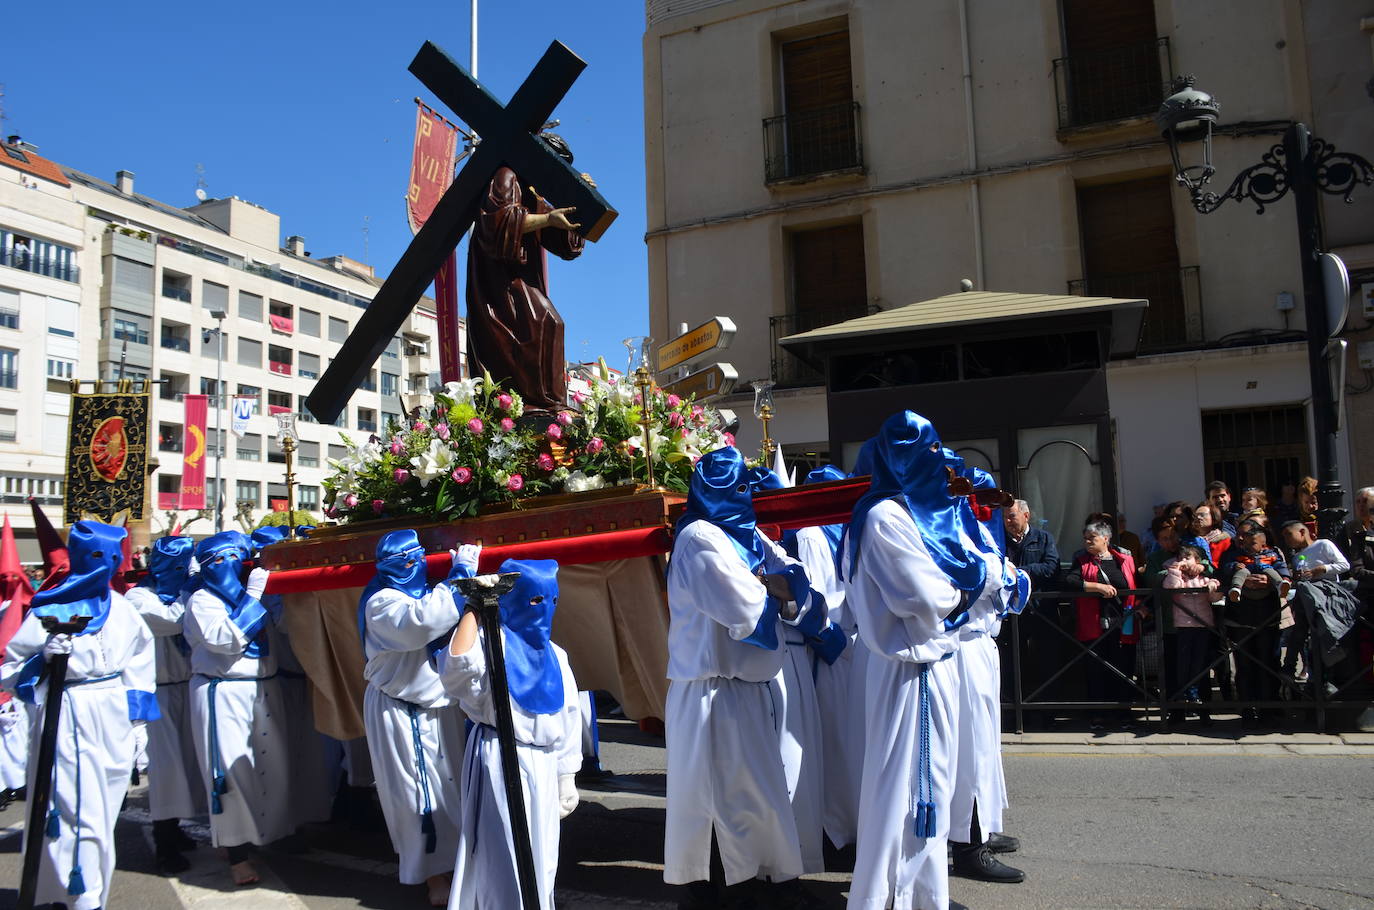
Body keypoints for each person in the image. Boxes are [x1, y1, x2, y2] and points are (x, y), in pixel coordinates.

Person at [662, 446, 820, 909]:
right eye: (733, 487)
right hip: (712, 691)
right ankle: (718, 894)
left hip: (750, 690)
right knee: (718, 802)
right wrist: (772, 584)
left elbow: (797, 583)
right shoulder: (697, 538)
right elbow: (745, 608)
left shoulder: (748, 535)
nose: (743, 494)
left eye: (746, 485)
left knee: (759, 800)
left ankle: (764, 884)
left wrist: (770, 582)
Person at [844, 411, 977, 910]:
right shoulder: (884, 517)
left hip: (923, 666)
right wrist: (965, 590)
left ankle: (924, 895)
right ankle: (888, 899)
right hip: (908, 671)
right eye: (928, 454)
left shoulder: (907, 513)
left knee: (929, 786)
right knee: (905, 790)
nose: (938, 464)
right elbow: (922, 598)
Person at [0, 521, 158, 910]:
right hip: (67, 712)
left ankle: (90, 891)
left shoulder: (122, 609)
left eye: (111, 558)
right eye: (96, 556)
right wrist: (44, 660)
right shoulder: (49, 609)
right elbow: (10, 667)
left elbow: (140, 664)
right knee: (70, 806)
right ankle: (78, 895)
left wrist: (138, 722)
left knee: (103, 810)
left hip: (111, 713)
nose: (103, 565)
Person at [439, 556, 582, 910]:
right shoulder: (492, 641)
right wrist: (475, 605)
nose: (545, 609)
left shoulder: (556, 654)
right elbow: (456, 669)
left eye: (552, 600)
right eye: (534, 600)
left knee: (542, 861)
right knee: (502, 861)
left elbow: (570, 716)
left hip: (545, 764)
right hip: (500, 759)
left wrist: (567, 774)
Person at [360, 531, 468, 906]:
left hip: (440, 707)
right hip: (400, 709)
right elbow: (420, 625)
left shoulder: (427, 591)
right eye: (403, 561)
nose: (413, 566)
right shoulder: (381, 600)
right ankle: (431, 875)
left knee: (453, 790)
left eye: (417, 557)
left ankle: (460, 864)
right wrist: (461, 575)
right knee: (414, 796)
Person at [184, 530, 291, 885]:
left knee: (267, 765)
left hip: (262, 687)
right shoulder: (202, 599)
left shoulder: (254, 593)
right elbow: (224, 641)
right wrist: (253, 596)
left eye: (234, 558)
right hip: (223, 691)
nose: (227, 567)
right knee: (229, 773)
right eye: (218, 560)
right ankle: (236, 853)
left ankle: (263, 834)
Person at [465, 134, 588, 413]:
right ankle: (537, 404)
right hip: (498, 282)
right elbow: (496, 224)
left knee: (547, 323)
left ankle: (545, 404)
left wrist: (579, 201)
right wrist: (547, 218)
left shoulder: (532, 190)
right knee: (545, 321)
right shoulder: (506, 177)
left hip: (519, 276)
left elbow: (563, 245)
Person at [947, 460, 1025, 884]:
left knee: (982, 747)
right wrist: (1003, 574)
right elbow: (978, 572)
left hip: (978, 645)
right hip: (959, 646)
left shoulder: (972, 526)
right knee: (968, 750)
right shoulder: (949, 525)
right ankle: (967, 845)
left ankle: (979, 828)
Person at [789, 465, 863, 853]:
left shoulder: (842, 529)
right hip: (831, 651)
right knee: (832, 742)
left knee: (851, 743)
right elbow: (814, 600)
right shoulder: (813, 534)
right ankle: (835, 830)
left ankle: (850, 824)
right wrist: (835, 644)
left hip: (849, 645)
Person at [124, 535, 206, 874]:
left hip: (186, 686)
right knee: (166, 771)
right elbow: (174, 621)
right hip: (156, 692)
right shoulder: (138, 597)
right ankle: (164, 842)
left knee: (189, 765)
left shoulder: (181, 593)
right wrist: (192, 591)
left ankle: (175, 828)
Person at [1065, 519, 1140, 730]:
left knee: (1123, 667)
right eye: (1085, 538)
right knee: (1096, 668)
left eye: (1092, 538)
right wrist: (1096, 586)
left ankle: (1123, 712)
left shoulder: (1124, 559)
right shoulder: (1081, 559)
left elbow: (1134, 583)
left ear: (1106, 539)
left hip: (1122, 623)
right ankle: (1098, 714)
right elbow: (1070, 581)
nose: (1087, 541)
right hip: (1094, 623)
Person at [1221, 521, 1285, 728]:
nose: (1242, 539)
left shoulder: (1273, 553)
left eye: (1246, 535)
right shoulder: (1232, 555)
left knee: (1267, 663)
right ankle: (1247, 709)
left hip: (1267, 617)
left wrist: (1271, 582)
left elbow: (1284, 575)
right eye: (1239, 535)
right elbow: (1221, 574)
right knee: (1244, 665)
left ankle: (1269, 708)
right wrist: (1240, 578)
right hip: (1240, 619)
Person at [1163, 544, 1220, 724]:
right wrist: (1175, 570)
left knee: (1201, 664)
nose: (1183, 561)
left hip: (1203, 625)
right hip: (1183, 625)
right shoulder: (1177, 576)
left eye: (1188, 558)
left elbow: (1215, 596)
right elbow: (1171, 587)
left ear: (1198, 561)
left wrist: (1212, 584)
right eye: (1181, 558)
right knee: (1183, 664)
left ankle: (1201, 705)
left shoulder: (1204, 578)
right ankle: (1183, 699)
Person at [1226, 525, 1290, 603]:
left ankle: (1280, 585)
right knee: (1241, 572)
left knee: (1270, 570)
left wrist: (1285, 577)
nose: (1247, 546)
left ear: (1263, 546)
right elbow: (1228, 565)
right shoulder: (1238, 554)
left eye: (1252, 543)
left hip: (1266, 586)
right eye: (1245, 543)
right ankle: (1236, 589)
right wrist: (1235, 565)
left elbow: (1280, 565)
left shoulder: (1270, 554)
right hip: (1247, 574)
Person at [1193, 502, 1233, 569]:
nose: (1198, 518)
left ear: (1214, 518)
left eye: (1202, 515)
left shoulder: (1225, 541)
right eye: (1196, 515)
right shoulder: (1191, 540)